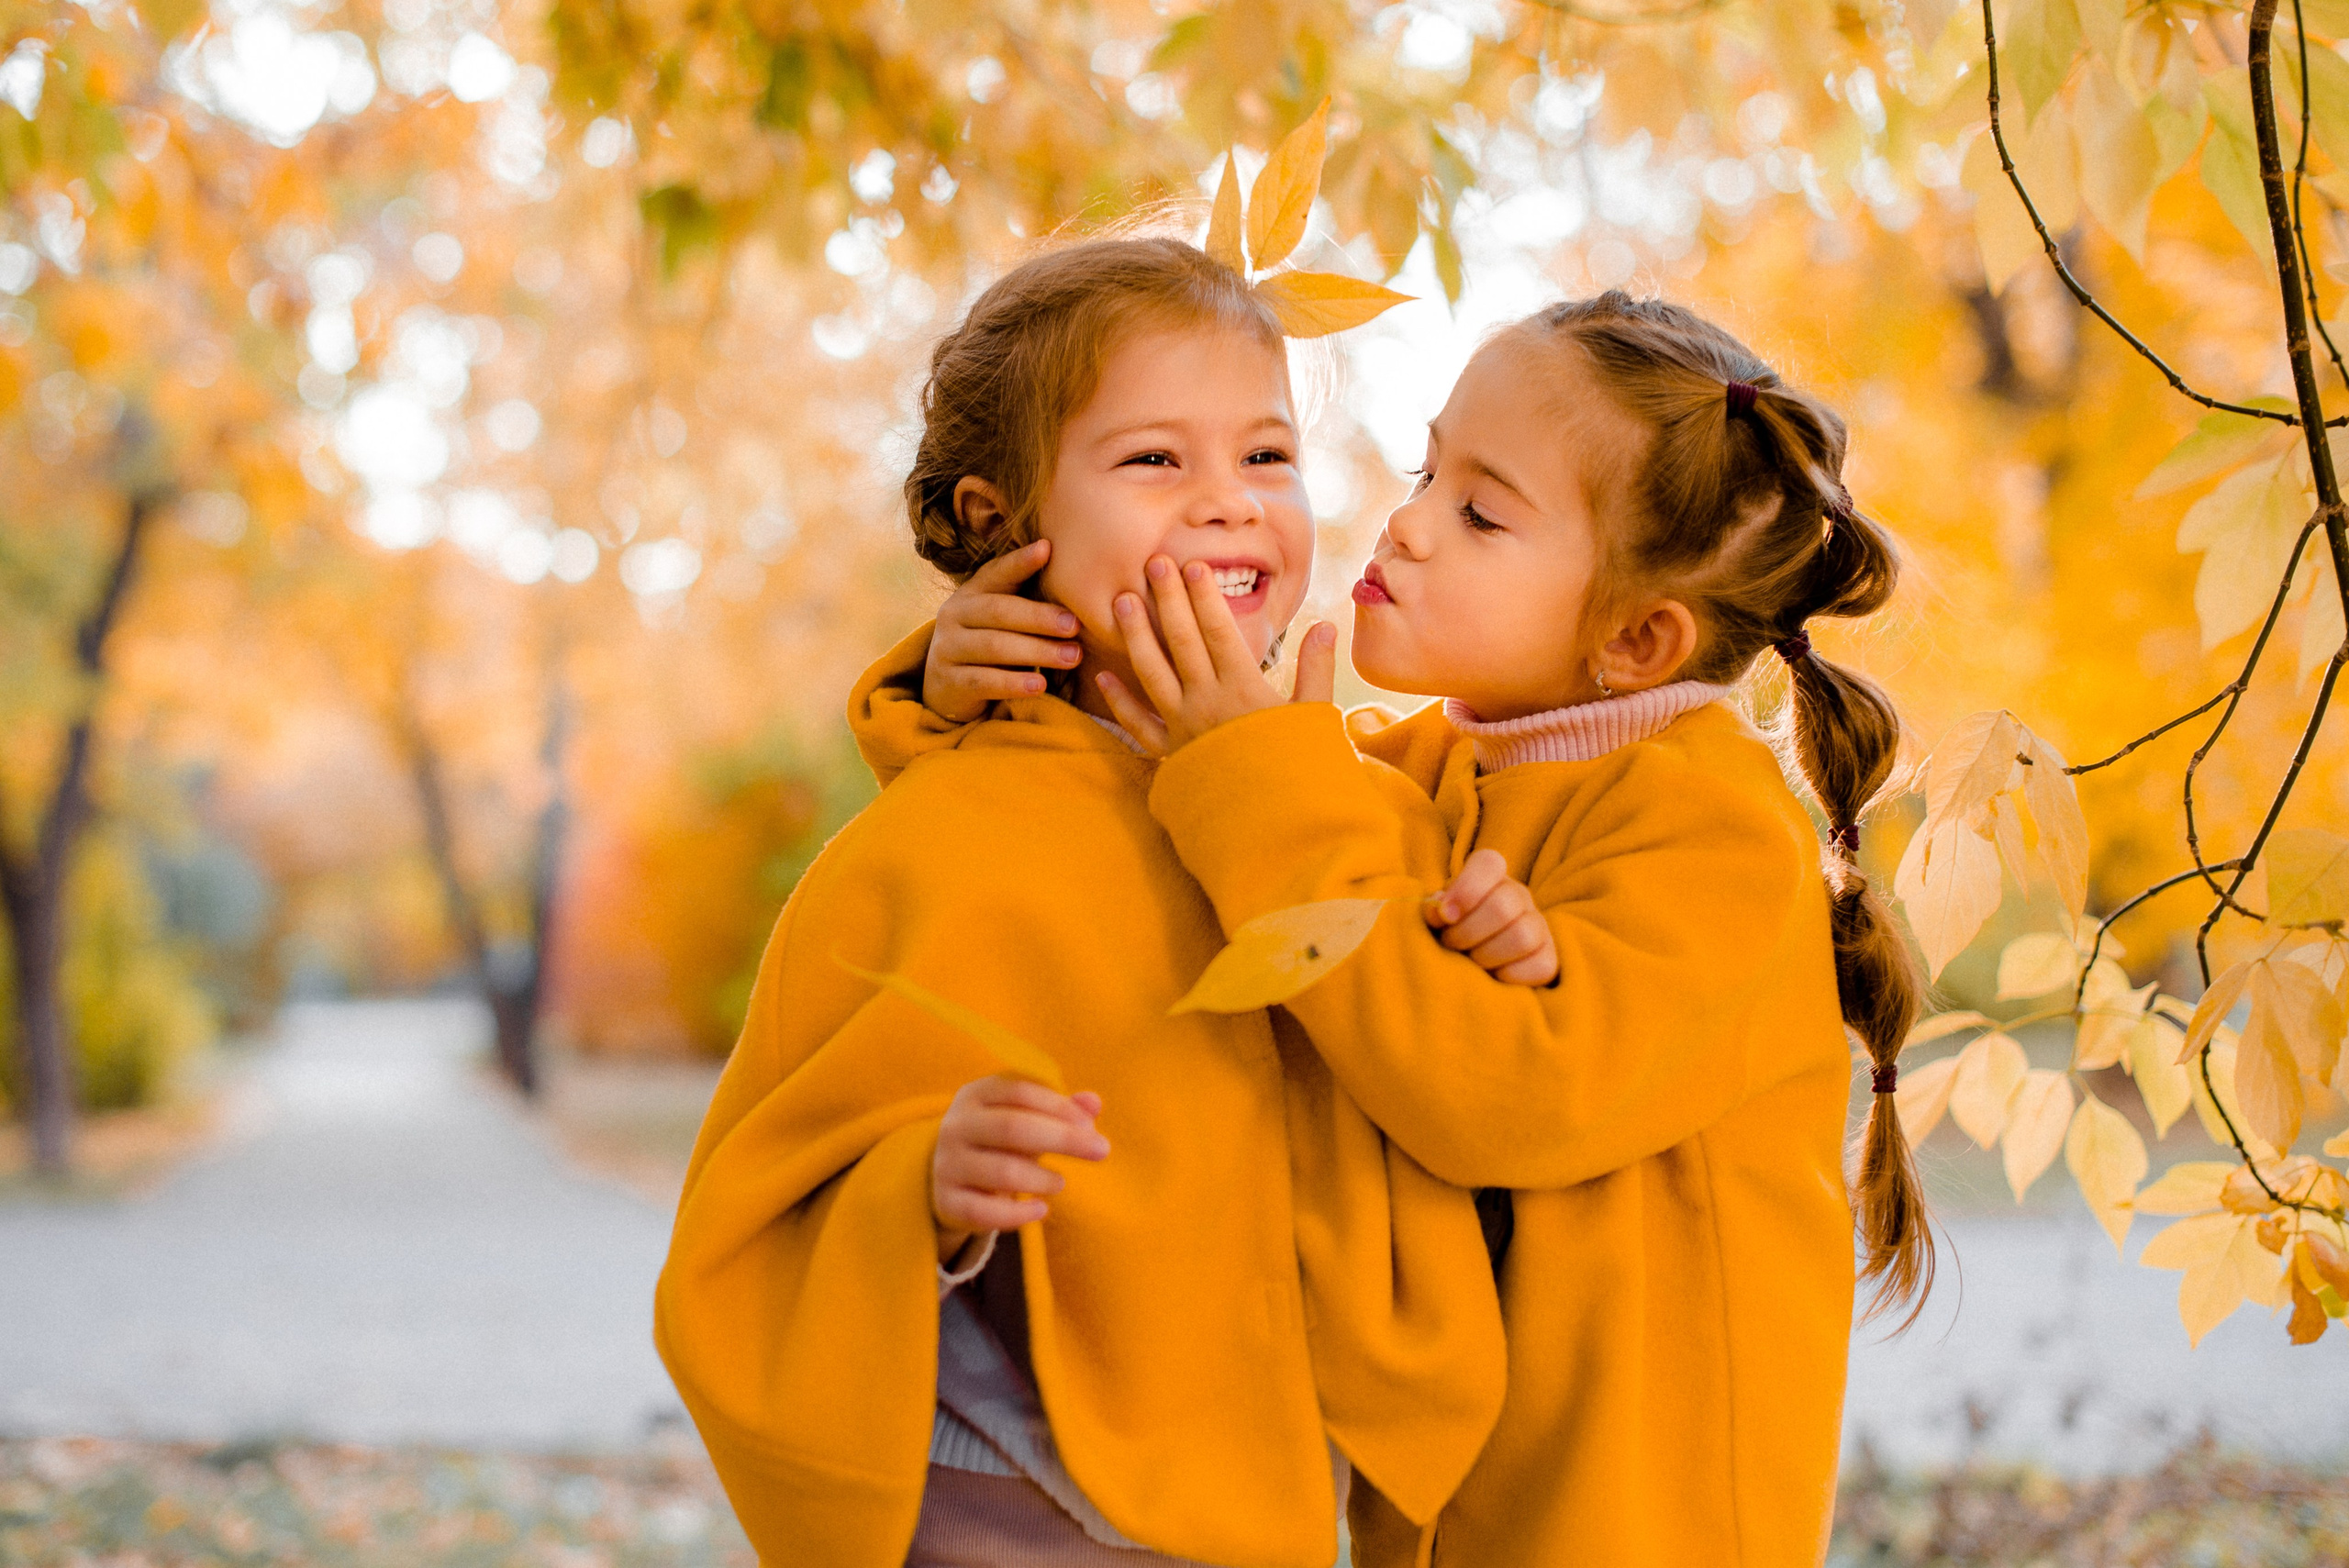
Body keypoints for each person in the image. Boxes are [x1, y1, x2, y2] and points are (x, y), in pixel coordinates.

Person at [926, 291, 1932, 1566]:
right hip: (1455, 1509)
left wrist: (1257, 774)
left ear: (1635, 638)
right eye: (1425, 467)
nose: (1405, 520)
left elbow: (1502, 1093)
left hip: (1635, 1514)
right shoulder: (1431, 765)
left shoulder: (1716, 832)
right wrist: (973, 674)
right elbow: (1180, 802)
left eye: (1479, 510)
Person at [655, 234, 1547, 1568]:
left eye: (1266, 455)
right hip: (1003, 1493)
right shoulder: (939, 841)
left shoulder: (1350, 791)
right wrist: (927, 1183)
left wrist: (1500, 941)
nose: (1231, 502)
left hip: (1274, 1480)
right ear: (1004, 521)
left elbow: (1426, 1051)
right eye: (1154, 461)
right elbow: (759, 1205)